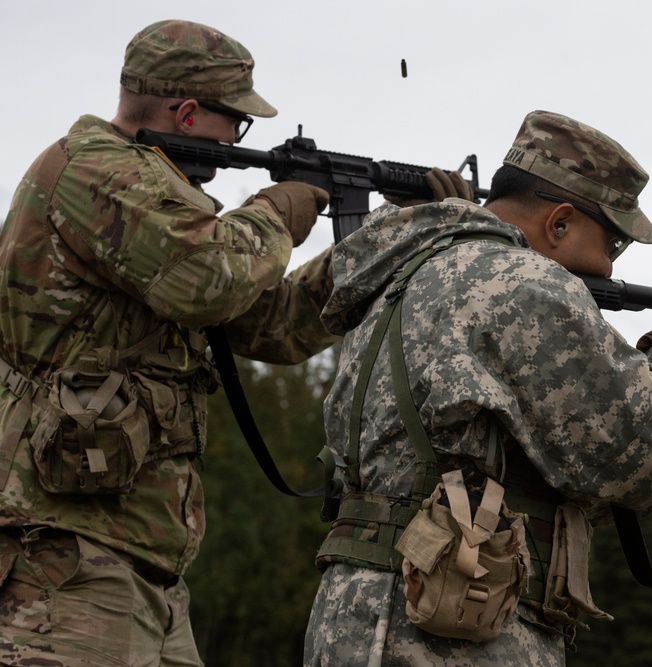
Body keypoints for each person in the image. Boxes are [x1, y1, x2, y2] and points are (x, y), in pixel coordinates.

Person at [304, 110, 652, 666]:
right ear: (559, 223)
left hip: (364, 615)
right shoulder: (524, 284)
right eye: (614, 244)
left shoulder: (407, 276)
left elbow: (563, 482)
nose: (608, 268)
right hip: (444, 631)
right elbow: (636, 462)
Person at [0, 19, 343, 667]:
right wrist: (277, 211)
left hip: (139, 563)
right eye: (233, 123)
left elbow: (271, 324)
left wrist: (375, 256)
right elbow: (209, 280)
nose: (236, 141)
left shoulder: (164, 201)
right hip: (64, 559)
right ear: (186, 113)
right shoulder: (97, 171)